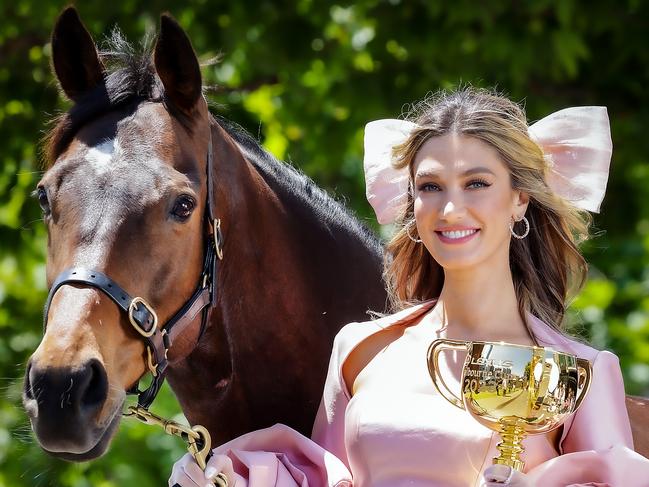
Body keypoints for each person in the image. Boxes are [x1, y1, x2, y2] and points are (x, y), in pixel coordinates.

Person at [170, 87, 649, 487]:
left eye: (477, 183)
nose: (450, 210)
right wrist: (228, 476)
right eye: (431, 186)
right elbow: (323, 477)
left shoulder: (578, 373)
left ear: (519, 199)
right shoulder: (360, 349)